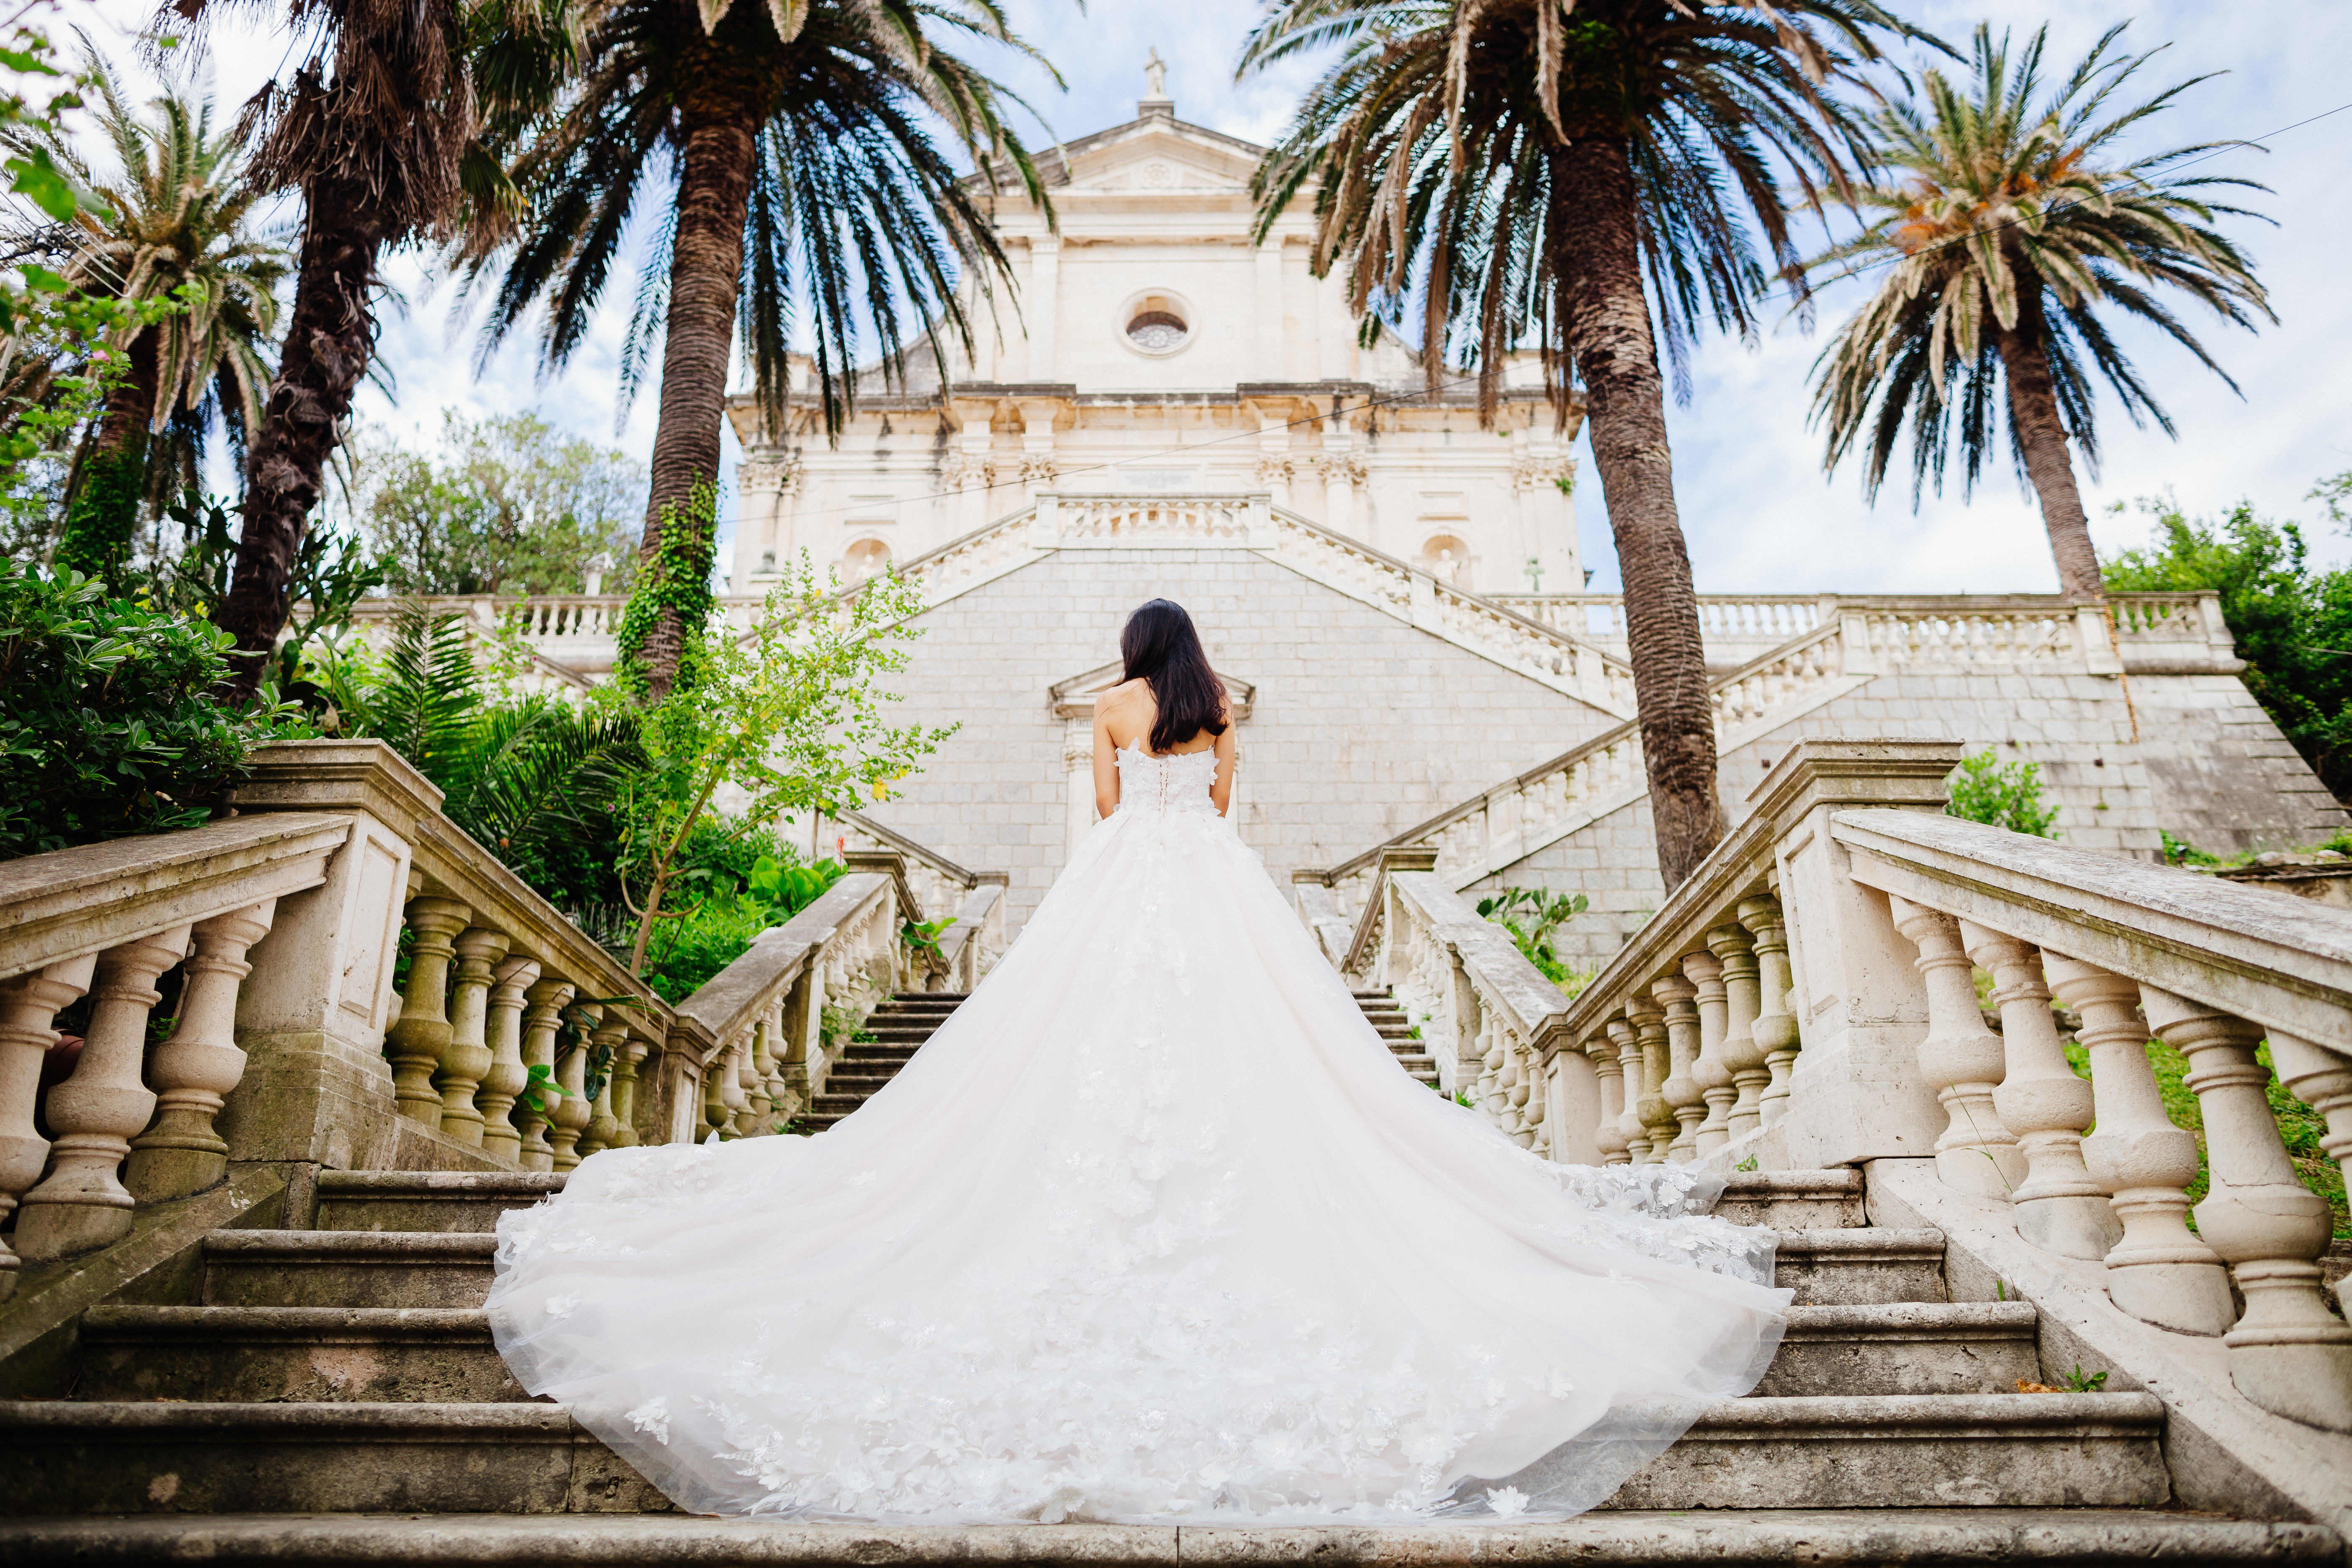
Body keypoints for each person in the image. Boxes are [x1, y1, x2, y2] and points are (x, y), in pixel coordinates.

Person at [487, 598, 1790, 1524]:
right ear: (1194, 655)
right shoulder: (1213, 708)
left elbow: (1110, 810)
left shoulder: (1111, 708)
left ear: (1131, 651)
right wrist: (1194, 785)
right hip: (1212, 885)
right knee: (1256, 1041)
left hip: (1127, 885)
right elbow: (1220, 807)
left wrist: (1132, 791)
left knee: (1084, 1039)